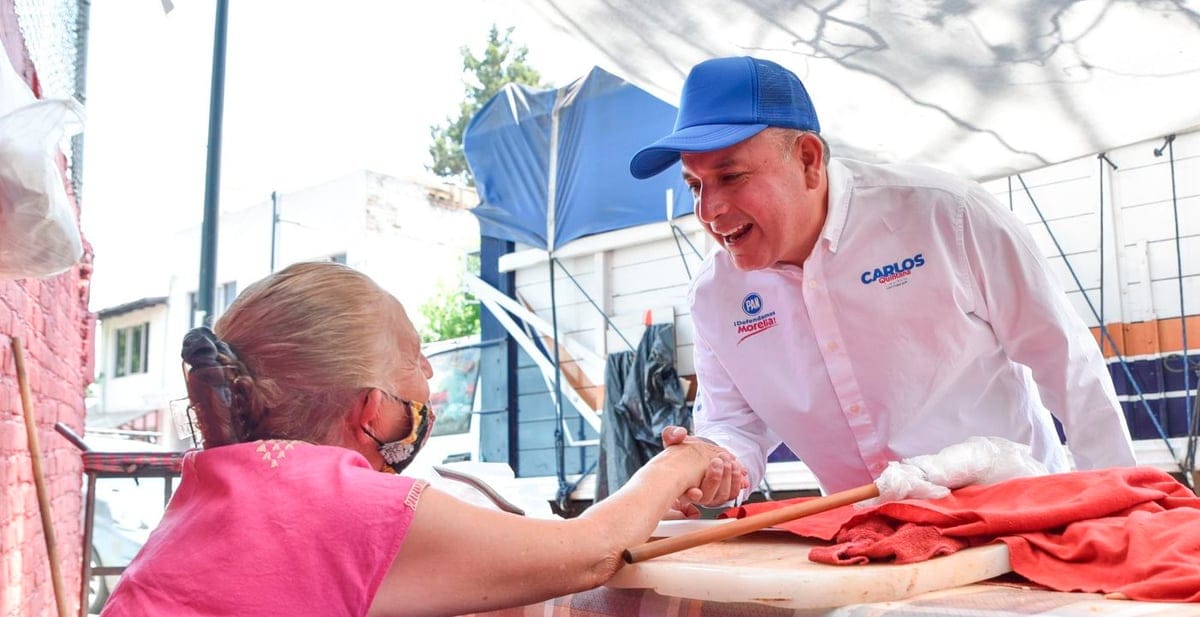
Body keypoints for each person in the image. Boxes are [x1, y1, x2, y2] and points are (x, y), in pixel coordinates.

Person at [630, 56, 1136, 507]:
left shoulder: (946, 216)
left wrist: (1121, 505)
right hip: (871, 541)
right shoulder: (714, 296)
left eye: (731, 176)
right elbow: (733, 425)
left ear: (807, 159)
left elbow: (1066, 361)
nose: (709, 211)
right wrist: (714, 466)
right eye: (695, 185)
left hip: (1014, 514)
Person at [100, 261, 731, 617]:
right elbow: (590, 551)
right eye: (414, 355)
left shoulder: (223, 487)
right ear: (371, 409)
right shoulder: (334, 502)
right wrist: (684, 459)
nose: (429, 375)